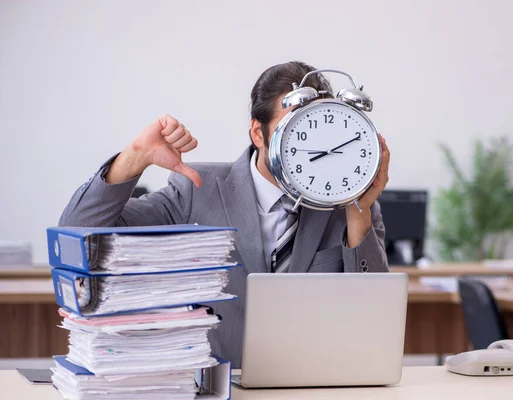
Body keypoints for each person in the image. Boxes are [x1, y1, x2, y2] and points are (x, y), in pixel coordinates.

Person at [59, 61, 391, 368]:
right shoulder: (196, 190)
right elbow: (78, 232)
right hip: (216, 387)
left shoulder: (349, 207)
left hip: (310, 385)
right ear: (258, 133)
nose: (314, 149)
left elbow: (376, 317)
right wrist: (134, 158)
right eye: (296, 131)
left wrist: (358, 212)